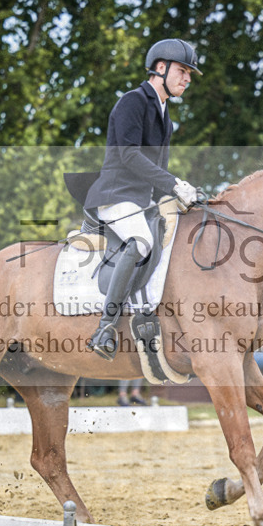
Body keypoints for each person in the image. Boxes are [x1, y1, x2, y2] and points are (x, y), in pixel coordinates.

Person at [83, 38, 203, 360]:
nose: (187, 79)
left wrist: (187, 194)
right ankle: (105, 328)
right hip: (115, 195)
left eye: (190, 73)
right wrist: (174, 183)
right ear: (160, 68)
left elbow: (156, 172)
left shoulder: (165, 117)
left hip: (140, 200)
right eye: (182, 71)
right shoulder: (132, 102)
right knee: (141, 241)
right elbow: (129, 156)